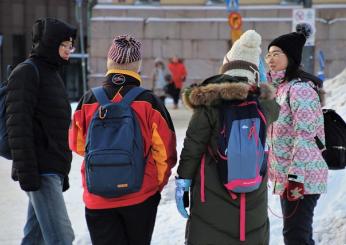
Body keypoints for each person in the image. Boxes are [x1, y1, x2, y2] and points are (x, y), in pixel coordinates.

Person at [69, 34, 177, 245]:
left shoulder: (89, 100)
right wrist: (156, 185)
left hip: (97, 197)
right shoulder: (149, 102)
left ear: (110, 63)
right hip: (140, 195)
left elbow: (77, 145)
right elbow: (165, 153)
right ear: (137, 66)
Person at [176, 30, 279, 245]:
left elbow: (193, 147)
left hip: (212, 197)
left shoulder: (210, 104)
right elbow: (274, 106)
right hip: (253, 198)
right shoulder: (264, 106)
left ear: (226, 68)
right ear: (254, 72)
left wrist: (183, 182)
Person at [5, 18, 76, 244]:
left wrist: (62, 169)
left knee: (35, 238)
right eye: (64, 45)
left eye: (71, 45)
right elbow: (18, 125)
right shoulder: (27, 72)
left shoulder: (52, 73)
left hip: (51, 169)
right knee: (63, 238)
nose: (69, 50)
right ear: (50, 43)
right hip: (40, 170)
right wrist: (28, 174)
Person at [265, 24, 328, 245]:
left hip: (302, 176)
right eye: (268, 54)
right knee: (296, 234)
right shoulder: (281, 89)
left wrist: (295, 178)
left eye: (276, 54)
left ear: (290, 57)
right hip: (290, 177)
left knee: (296, 236)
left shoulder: (299, 89)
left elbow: (305, 136)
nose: (270, 59)